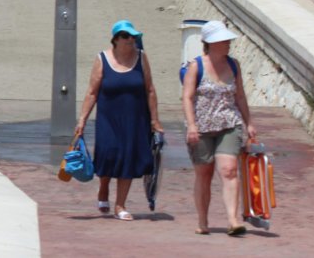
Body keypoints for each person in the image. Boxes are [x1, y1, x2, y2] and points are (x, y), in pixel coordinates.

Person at [74, 20, 163, 221]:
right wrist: (82, 120)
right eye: (125, 36)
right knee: (108, 155)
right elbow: (91, 92)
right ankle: (104, 187)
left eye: (133, 36)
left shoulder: (141, 58)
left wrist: (155, 120)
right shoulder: (102, 58)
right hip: (108, 119)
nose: (130, 40)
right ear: (115, 40)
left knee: (128, 159)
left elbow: (149, 89)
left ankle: (120, 205)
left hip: (135, 119)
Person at [182, 21, 257, 236]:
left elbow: (240, 96)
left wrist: (248, 122)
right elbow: (187, 98)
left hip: (229, 124)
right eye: (223, 40)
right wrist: (192, 125)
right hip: (202, 128)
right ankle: (203, 221)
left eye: (228, 40)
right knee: (204, 174)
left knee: (229, 170)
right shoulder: (196, 66)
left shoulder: (234, 65)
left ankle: (233, 220)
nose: (228, 44)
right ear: (210, 43)